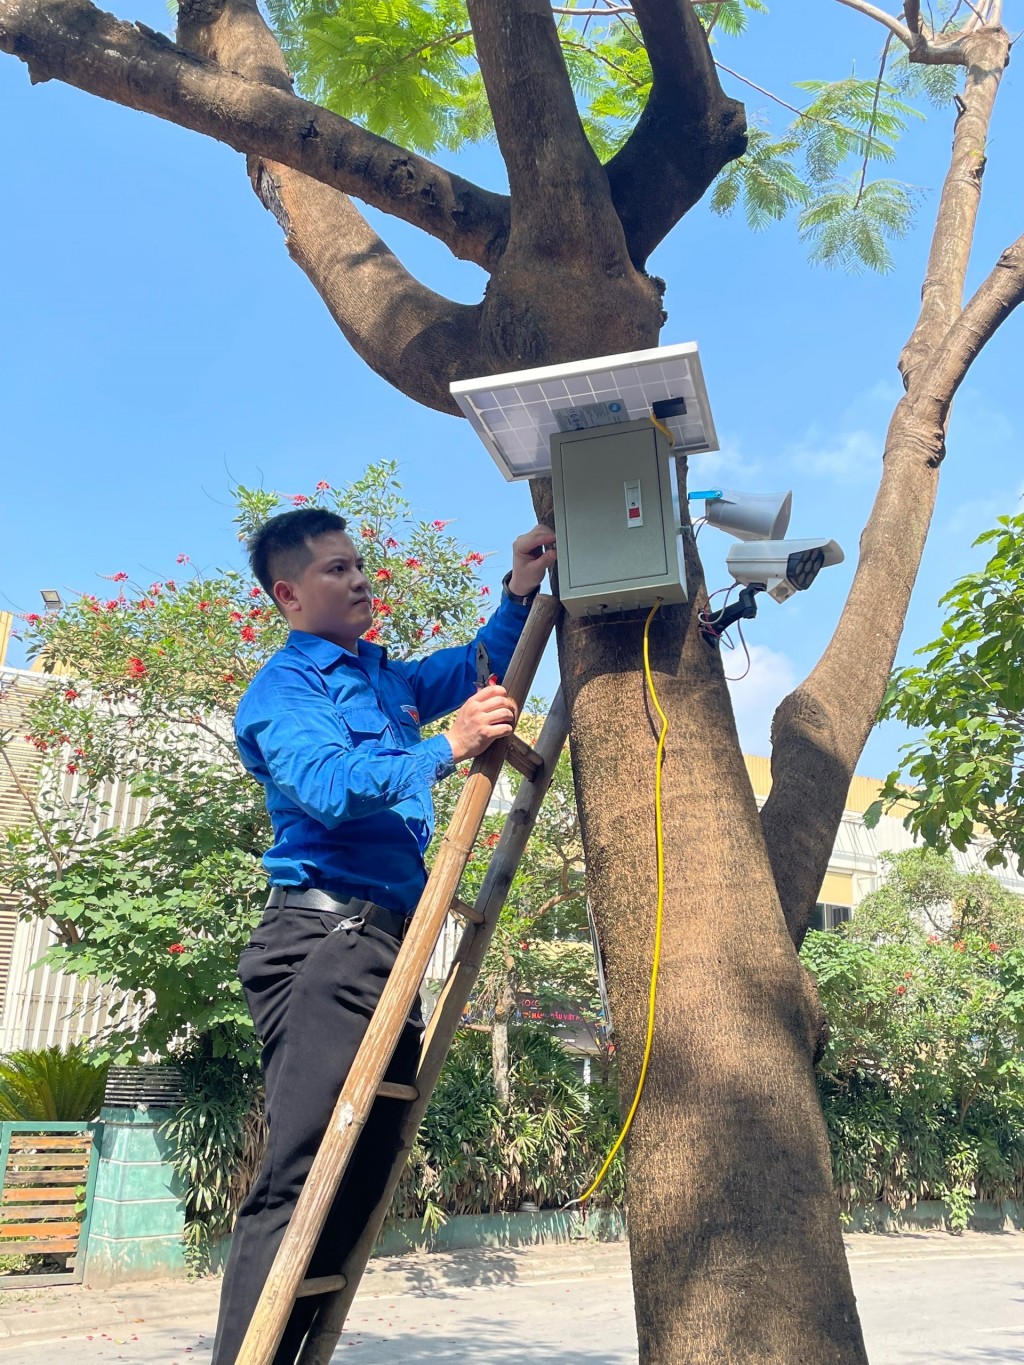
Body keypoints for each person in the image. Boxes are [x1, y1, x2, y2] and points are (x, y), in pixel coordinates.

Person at [211, 507, 556, 1365]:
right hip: (323, 941)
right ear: (289, 595)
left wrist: (519, 589)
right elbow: (329, 783)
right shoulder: (284, 691)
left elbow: (468, 668)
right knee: (299, 1177)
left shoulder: (381, 678)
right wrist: (446, 749)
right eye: (336, 570)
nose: (360, 578)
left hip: (385, 945)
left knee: (363, 1172)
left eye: (360, 564)